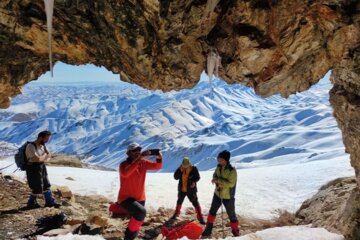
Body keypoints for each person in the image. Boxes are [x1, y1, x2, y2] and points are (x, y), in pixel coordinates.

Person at [117, 143, 163, 240]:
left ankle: (131, 237)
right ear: (129, 153)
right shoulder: (123, 165)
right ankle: (128, 238)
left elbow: (157, 166)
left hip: (140, 197)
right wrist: (140, 159)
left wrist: (159, 157)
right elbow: (126, 174)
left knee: (137, 221)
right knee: (141, 213)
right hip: (125, 198)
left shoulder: (143, 163)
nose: (138, 152)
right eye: (135, 150)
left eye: (139, 150)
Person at [202, 150, 239, 237]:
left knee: (232, 215)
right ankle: (208, 230)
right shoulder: (218, 167)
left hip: (228, 196)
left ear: (226, 160)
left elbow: (231, 183)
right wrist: (214, 179)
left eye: (221, 159)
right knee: (212, 212)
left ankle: (236, 232)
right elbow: (215, 174)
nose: (219, 160)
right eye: (219, 159)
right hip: (217, 194)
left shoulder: (232, 170)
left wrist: (219, 181)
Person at [25, 130, 60, 208]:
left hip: (41, 166)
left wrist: (44, 156)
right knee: (36, 186)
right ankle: (31, 203)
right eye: (46, 139)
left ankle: (50, 202)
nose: (47, 141)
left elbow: (48, 155)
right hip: (33, 168)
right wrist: (45, 156)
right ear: (40, 138)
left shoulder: (42, 146)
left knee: (46, 184)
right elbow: (36, 159)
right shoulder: (30, 146)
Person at [171, 157, 205, 224]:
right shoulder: (180, 169)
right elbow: (175, 177)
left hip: (191, 190)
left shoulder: (194, 169)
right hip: (182, 189)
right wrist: (180, 170)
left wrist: (194, 181)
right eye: (184, 166)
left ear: (189, 163)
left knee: (195, 202)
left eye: (186, 165)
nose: (185, 167)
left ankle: (200, 217)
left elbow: (197, 177)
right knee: (179, 202)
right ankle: (176, 214)